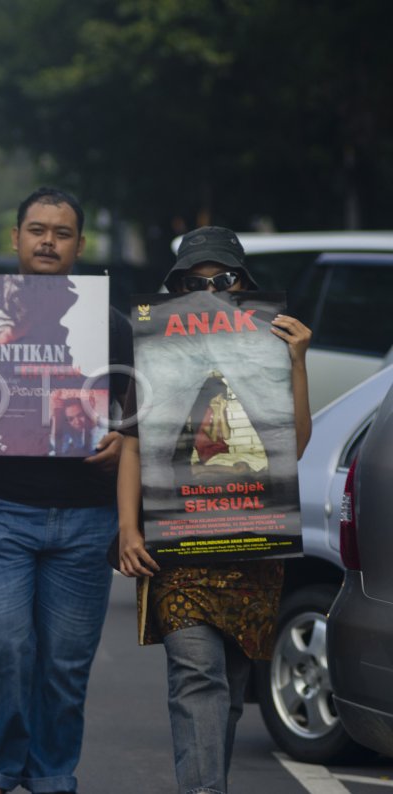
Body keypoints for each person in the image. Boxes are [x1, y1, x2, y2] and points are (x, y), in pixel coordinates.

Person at [0, 188, 134, 794]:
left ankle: (52, 774)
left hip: (85, 517)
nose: (48, 241)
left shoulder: (110, 325)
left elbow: (138, 417)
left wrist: (120, 439)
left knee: (64, 665)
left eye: (61, 232)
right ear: (16, 239)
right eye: (36, 230)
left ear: (79, 244)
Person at [117, 226, 312, 794]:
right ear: (176, 289)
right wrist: (129, 528)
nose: (210, 290)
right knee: (196, 675)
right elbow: (131, 442)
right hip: (179, 547)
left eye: (222, 279)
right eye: (193, 282)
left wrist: (297, 361)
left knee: (226, 689)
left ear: (244, 283)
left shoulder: (271, 342)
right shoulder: (156, 346)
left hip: (252, 544)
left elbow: (293, 448)